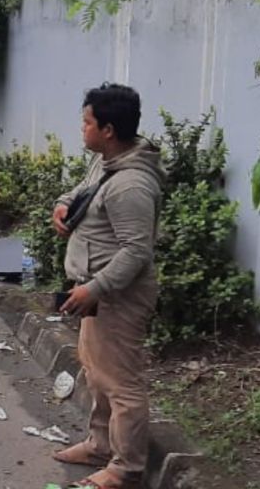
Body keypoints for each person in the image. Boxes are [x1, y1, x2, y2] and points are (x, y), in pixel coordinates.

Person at [50, 83, 165, 489]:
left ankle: (125, 468)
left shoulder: (131, 185)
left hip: (118, 296)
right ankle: (100, 445)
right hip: (95, 291)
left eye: (87, 122)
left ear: (109, 130)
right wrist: (62, 206)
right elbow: (80, 191)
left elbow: (137, 252)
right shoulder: (106, 162)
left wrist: (94, 288)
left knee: (121, 381)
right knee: (97, 372)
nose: (81, 129)